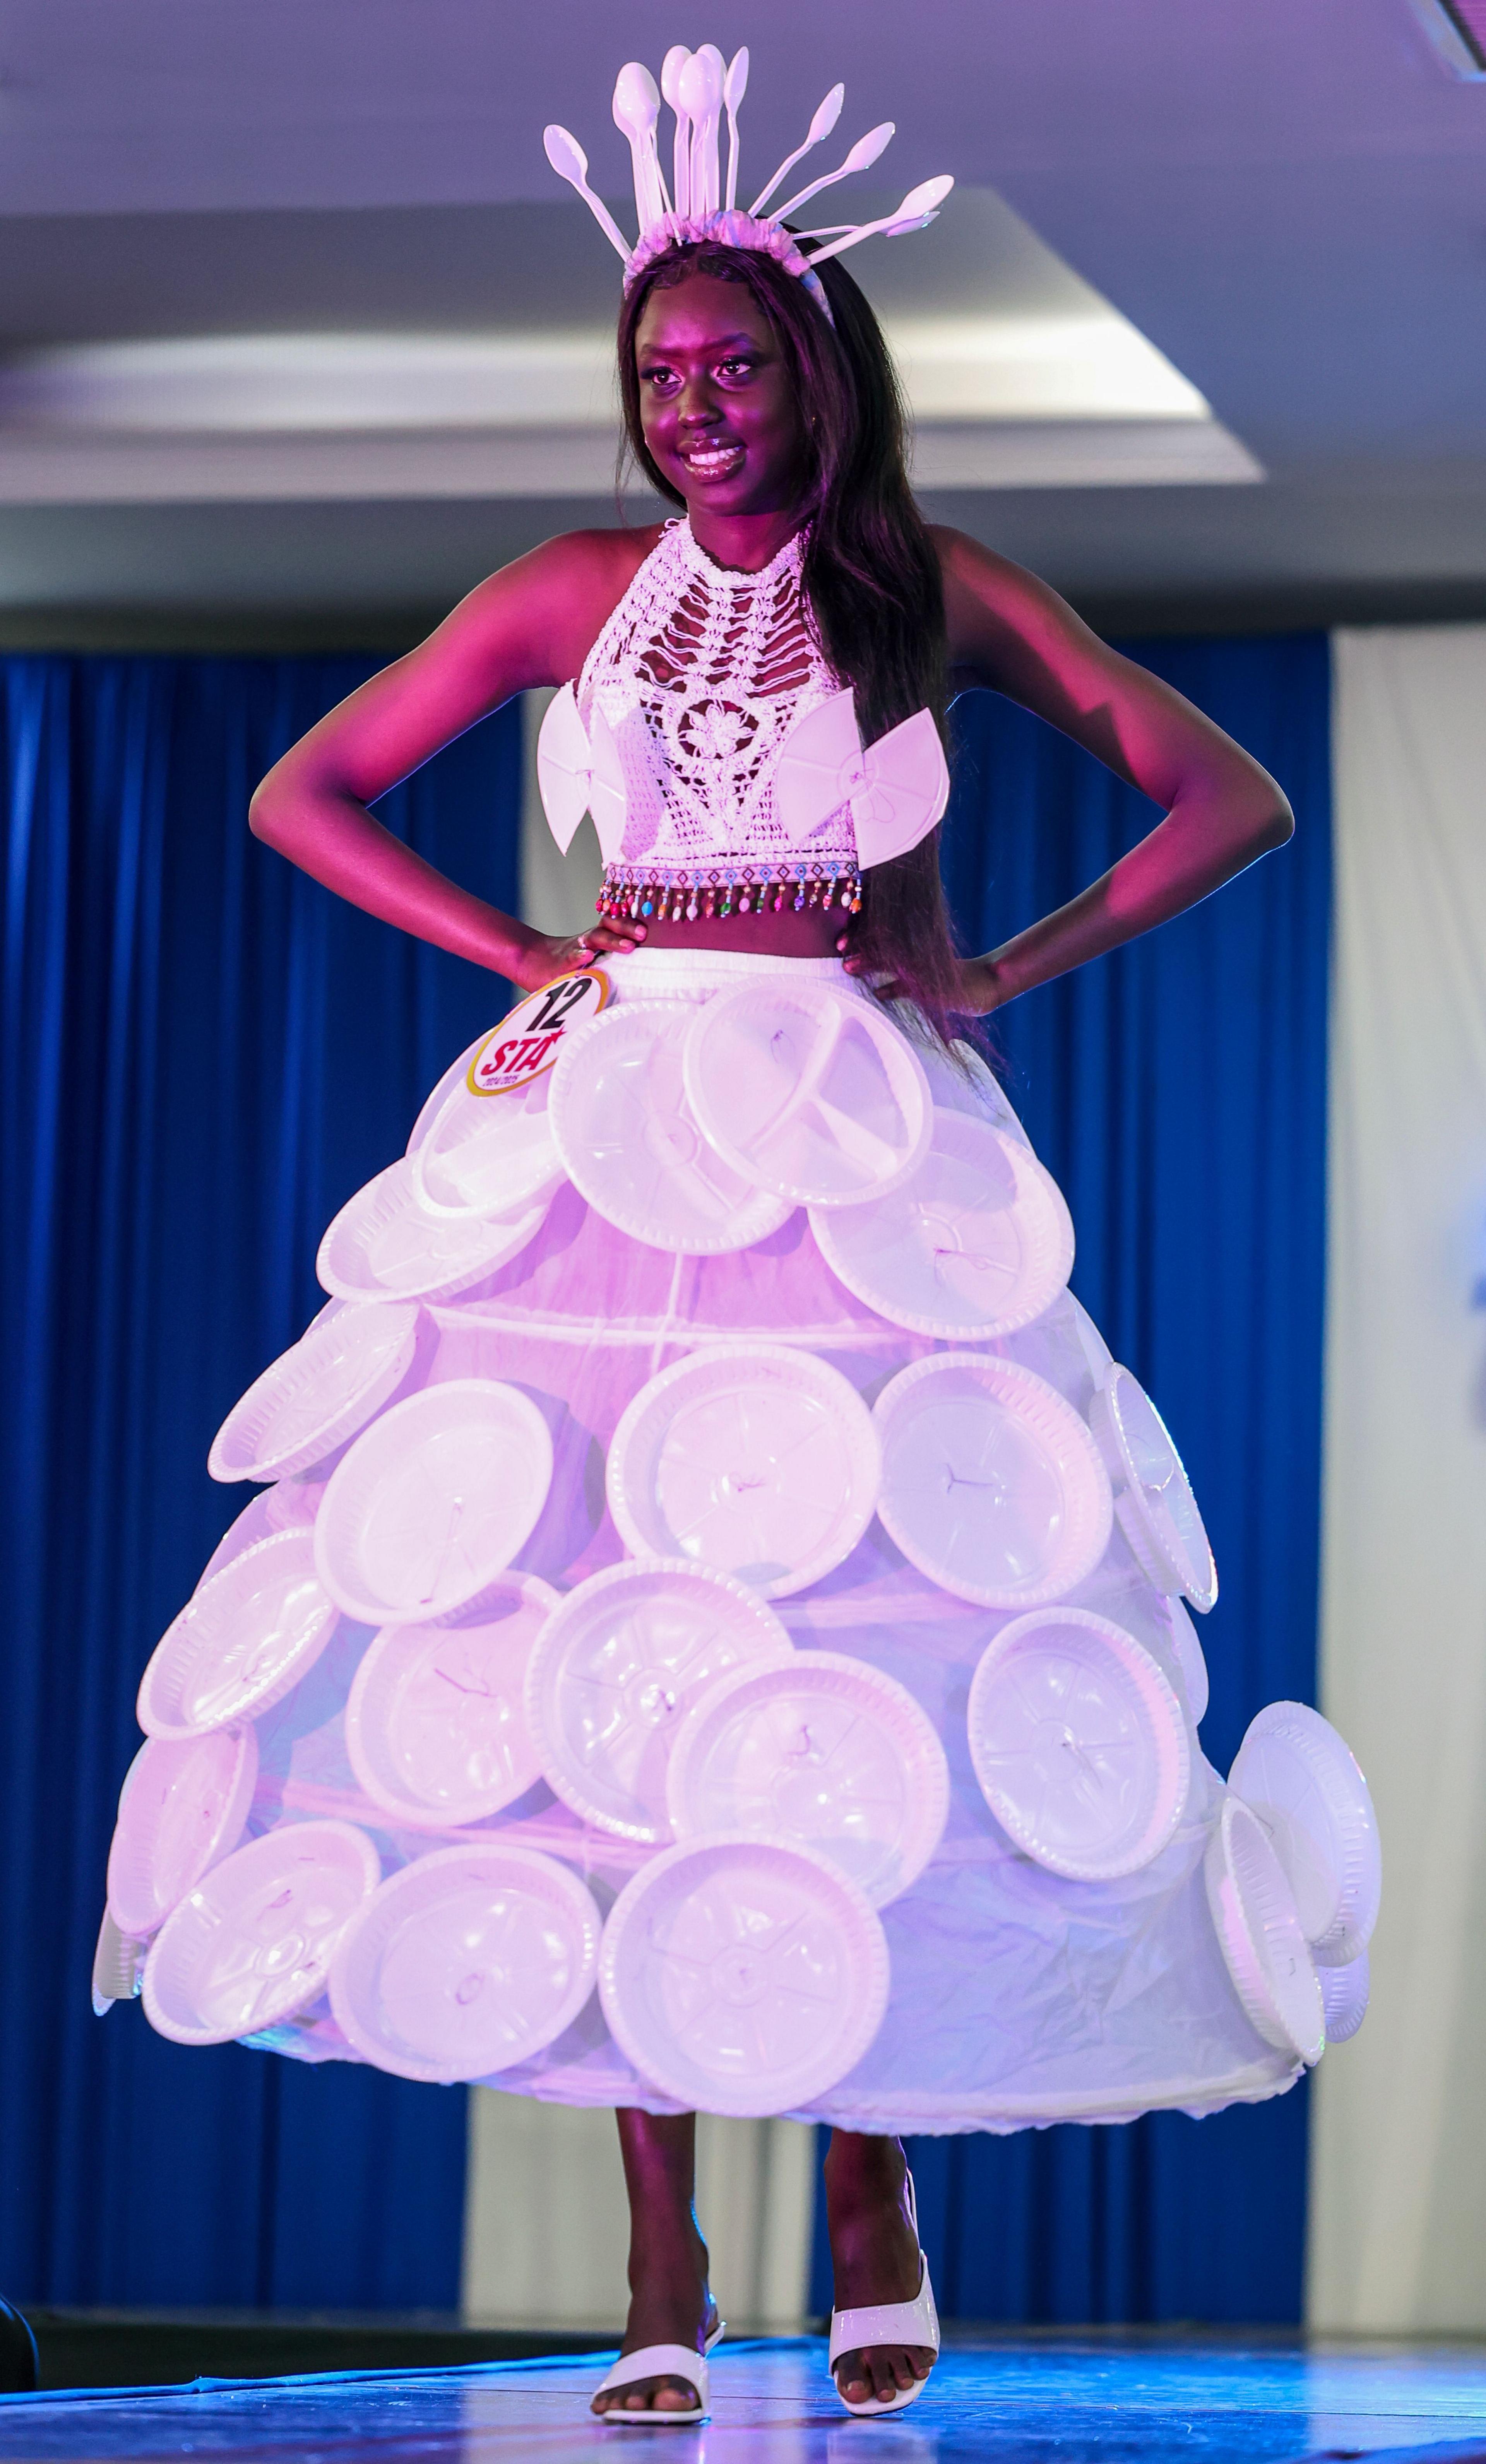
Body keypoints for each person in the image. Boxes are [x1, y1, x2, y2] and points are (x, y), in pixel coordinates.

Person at [123, 47, 1325, 2431]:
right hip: (603, 1148)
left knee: (848, 1649)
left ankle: (868, 2192)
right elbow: (303, 789)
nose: (694, 408)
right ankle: (665, 2242)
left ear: (819, 375)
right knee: (607, 1672)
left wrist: (1006, 960)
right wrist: (519, 963)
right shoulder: (572, 590)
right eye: (659, 374)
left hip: (852, 1146)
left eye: (734, 365)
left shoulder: (927, 587)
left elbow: (1230, 793)